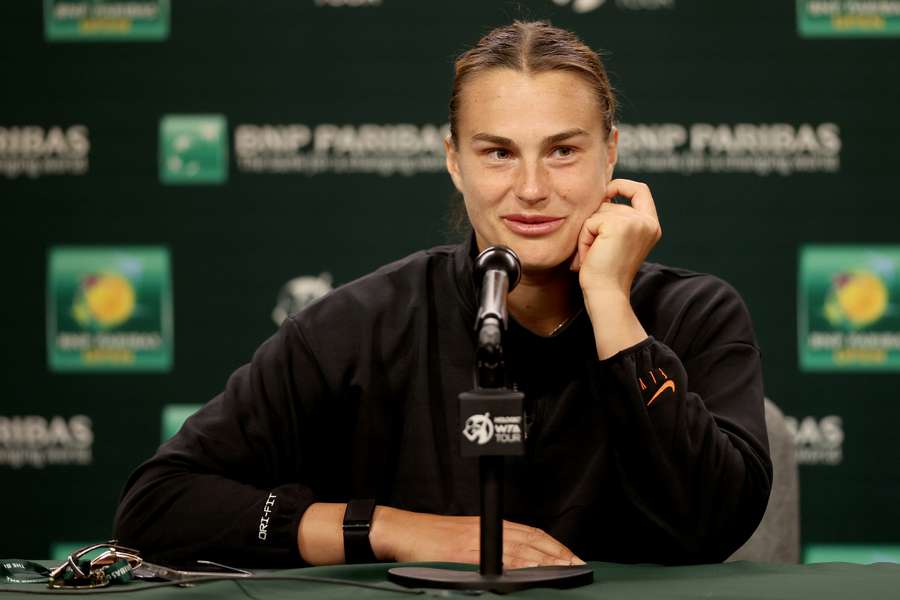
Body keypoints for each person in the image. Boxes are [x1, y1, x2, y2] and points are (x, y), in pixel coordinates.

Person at [114, 21, 772, 569]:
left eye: (564, 151)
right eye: (497, 153)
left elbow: (711, 525)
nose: (533, 187)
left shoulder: (696, 314)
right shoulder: (361, 325)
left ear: (611, 153)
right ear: (454, 160)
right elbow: (158, 506)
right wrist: (399, 531)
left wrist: (609, 303)